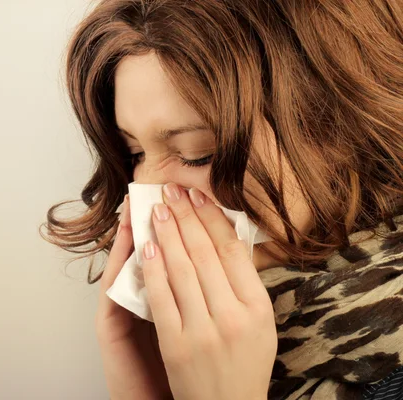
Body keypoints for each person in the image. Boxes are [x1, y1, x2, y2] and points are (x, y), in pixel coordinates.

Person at [40, 0, 403, 399]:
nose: (152, 194)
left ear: (342, 128)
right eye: (135, 155)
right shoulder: (172, 347)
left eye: (199, 154)